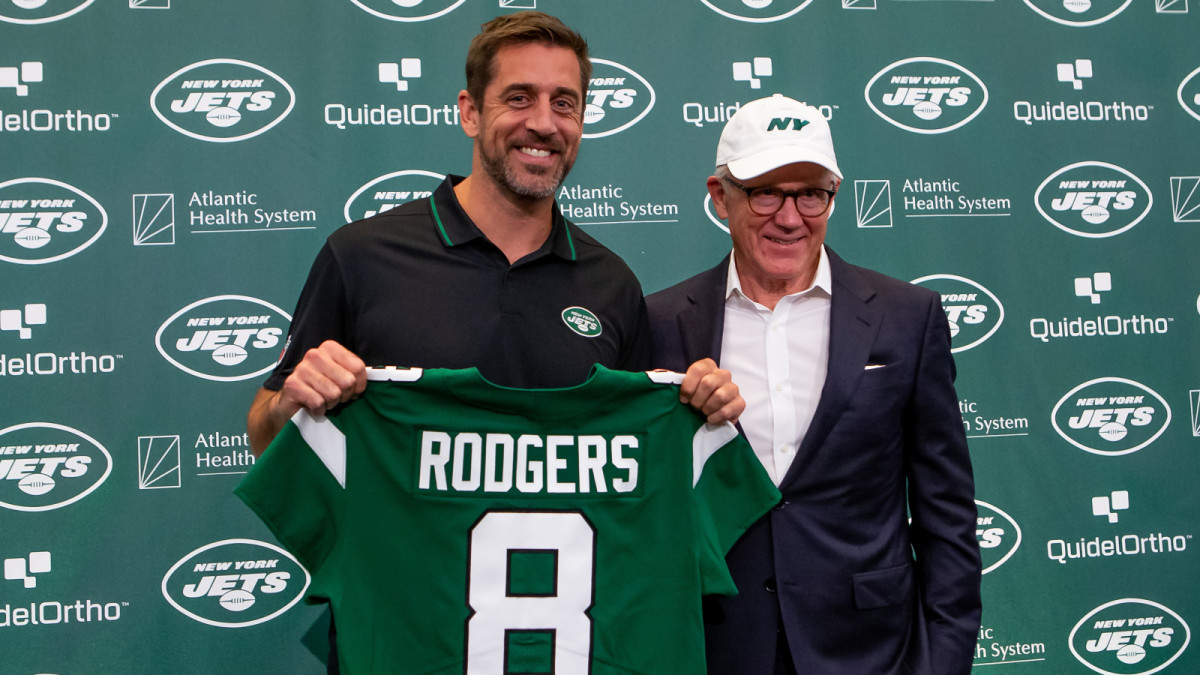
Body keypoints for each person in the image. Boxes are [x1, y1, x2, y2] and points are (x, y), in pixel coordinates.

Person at [244, 11, 743, 673]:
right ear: (469, 112)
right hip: (406, 646)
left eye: (565, 103)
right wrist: (289, 404)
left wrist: (699, 413)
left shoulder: (611, 284)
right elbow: (264, 436)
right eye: (519, 98)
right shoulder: (362, 258)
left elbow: (636, 495)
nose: (543, 122)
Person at [647, 94, 982, 675]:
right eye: (765, 192)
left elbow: (947, 515)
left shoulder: (909, 316)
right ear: (719, 196)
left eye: (811, 193)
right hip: (713, 648)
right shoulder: (659, 322)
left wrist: (944, 662)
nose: (790, 216)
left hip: (873, 650)